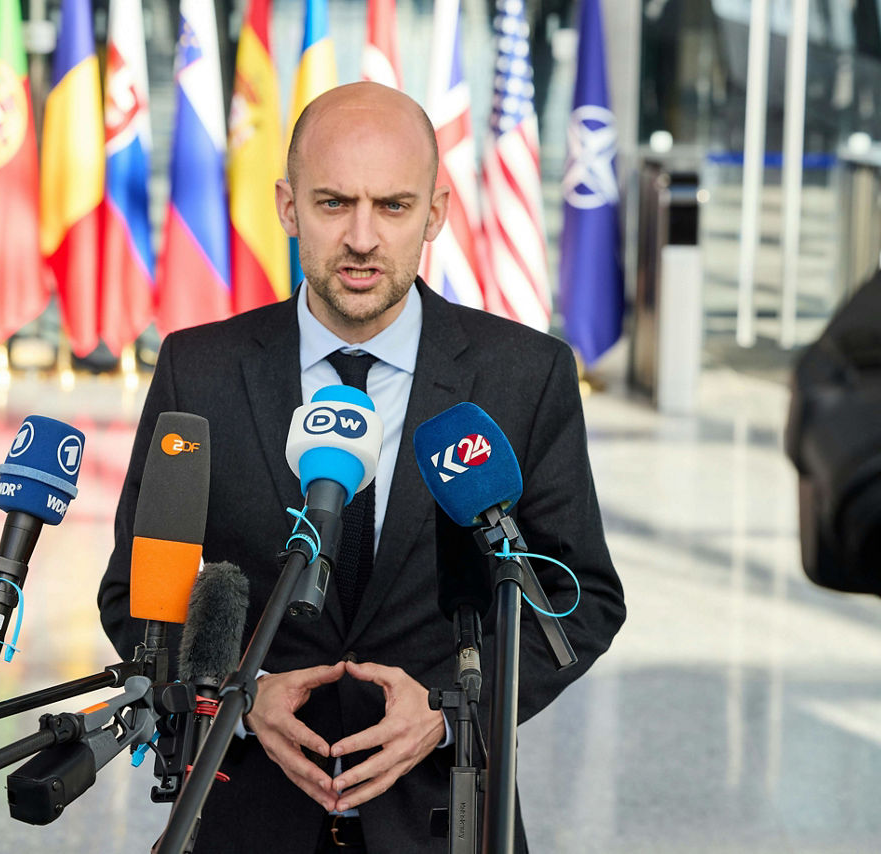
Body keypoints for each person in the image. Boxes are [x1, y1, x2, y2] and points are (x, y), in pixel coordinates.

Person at [98, 82, 626, 853]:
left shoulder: (526, 375)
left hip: (443, 823)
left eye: (394, 206)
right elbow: (137, 595)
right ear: (288, 207)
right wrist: (236, 697)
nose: (363, 238)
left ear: (436, 213)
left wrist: (451, 710)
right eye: (334, 203)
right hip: (249, 823)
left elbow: (581, 604)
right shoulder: (198, 371)